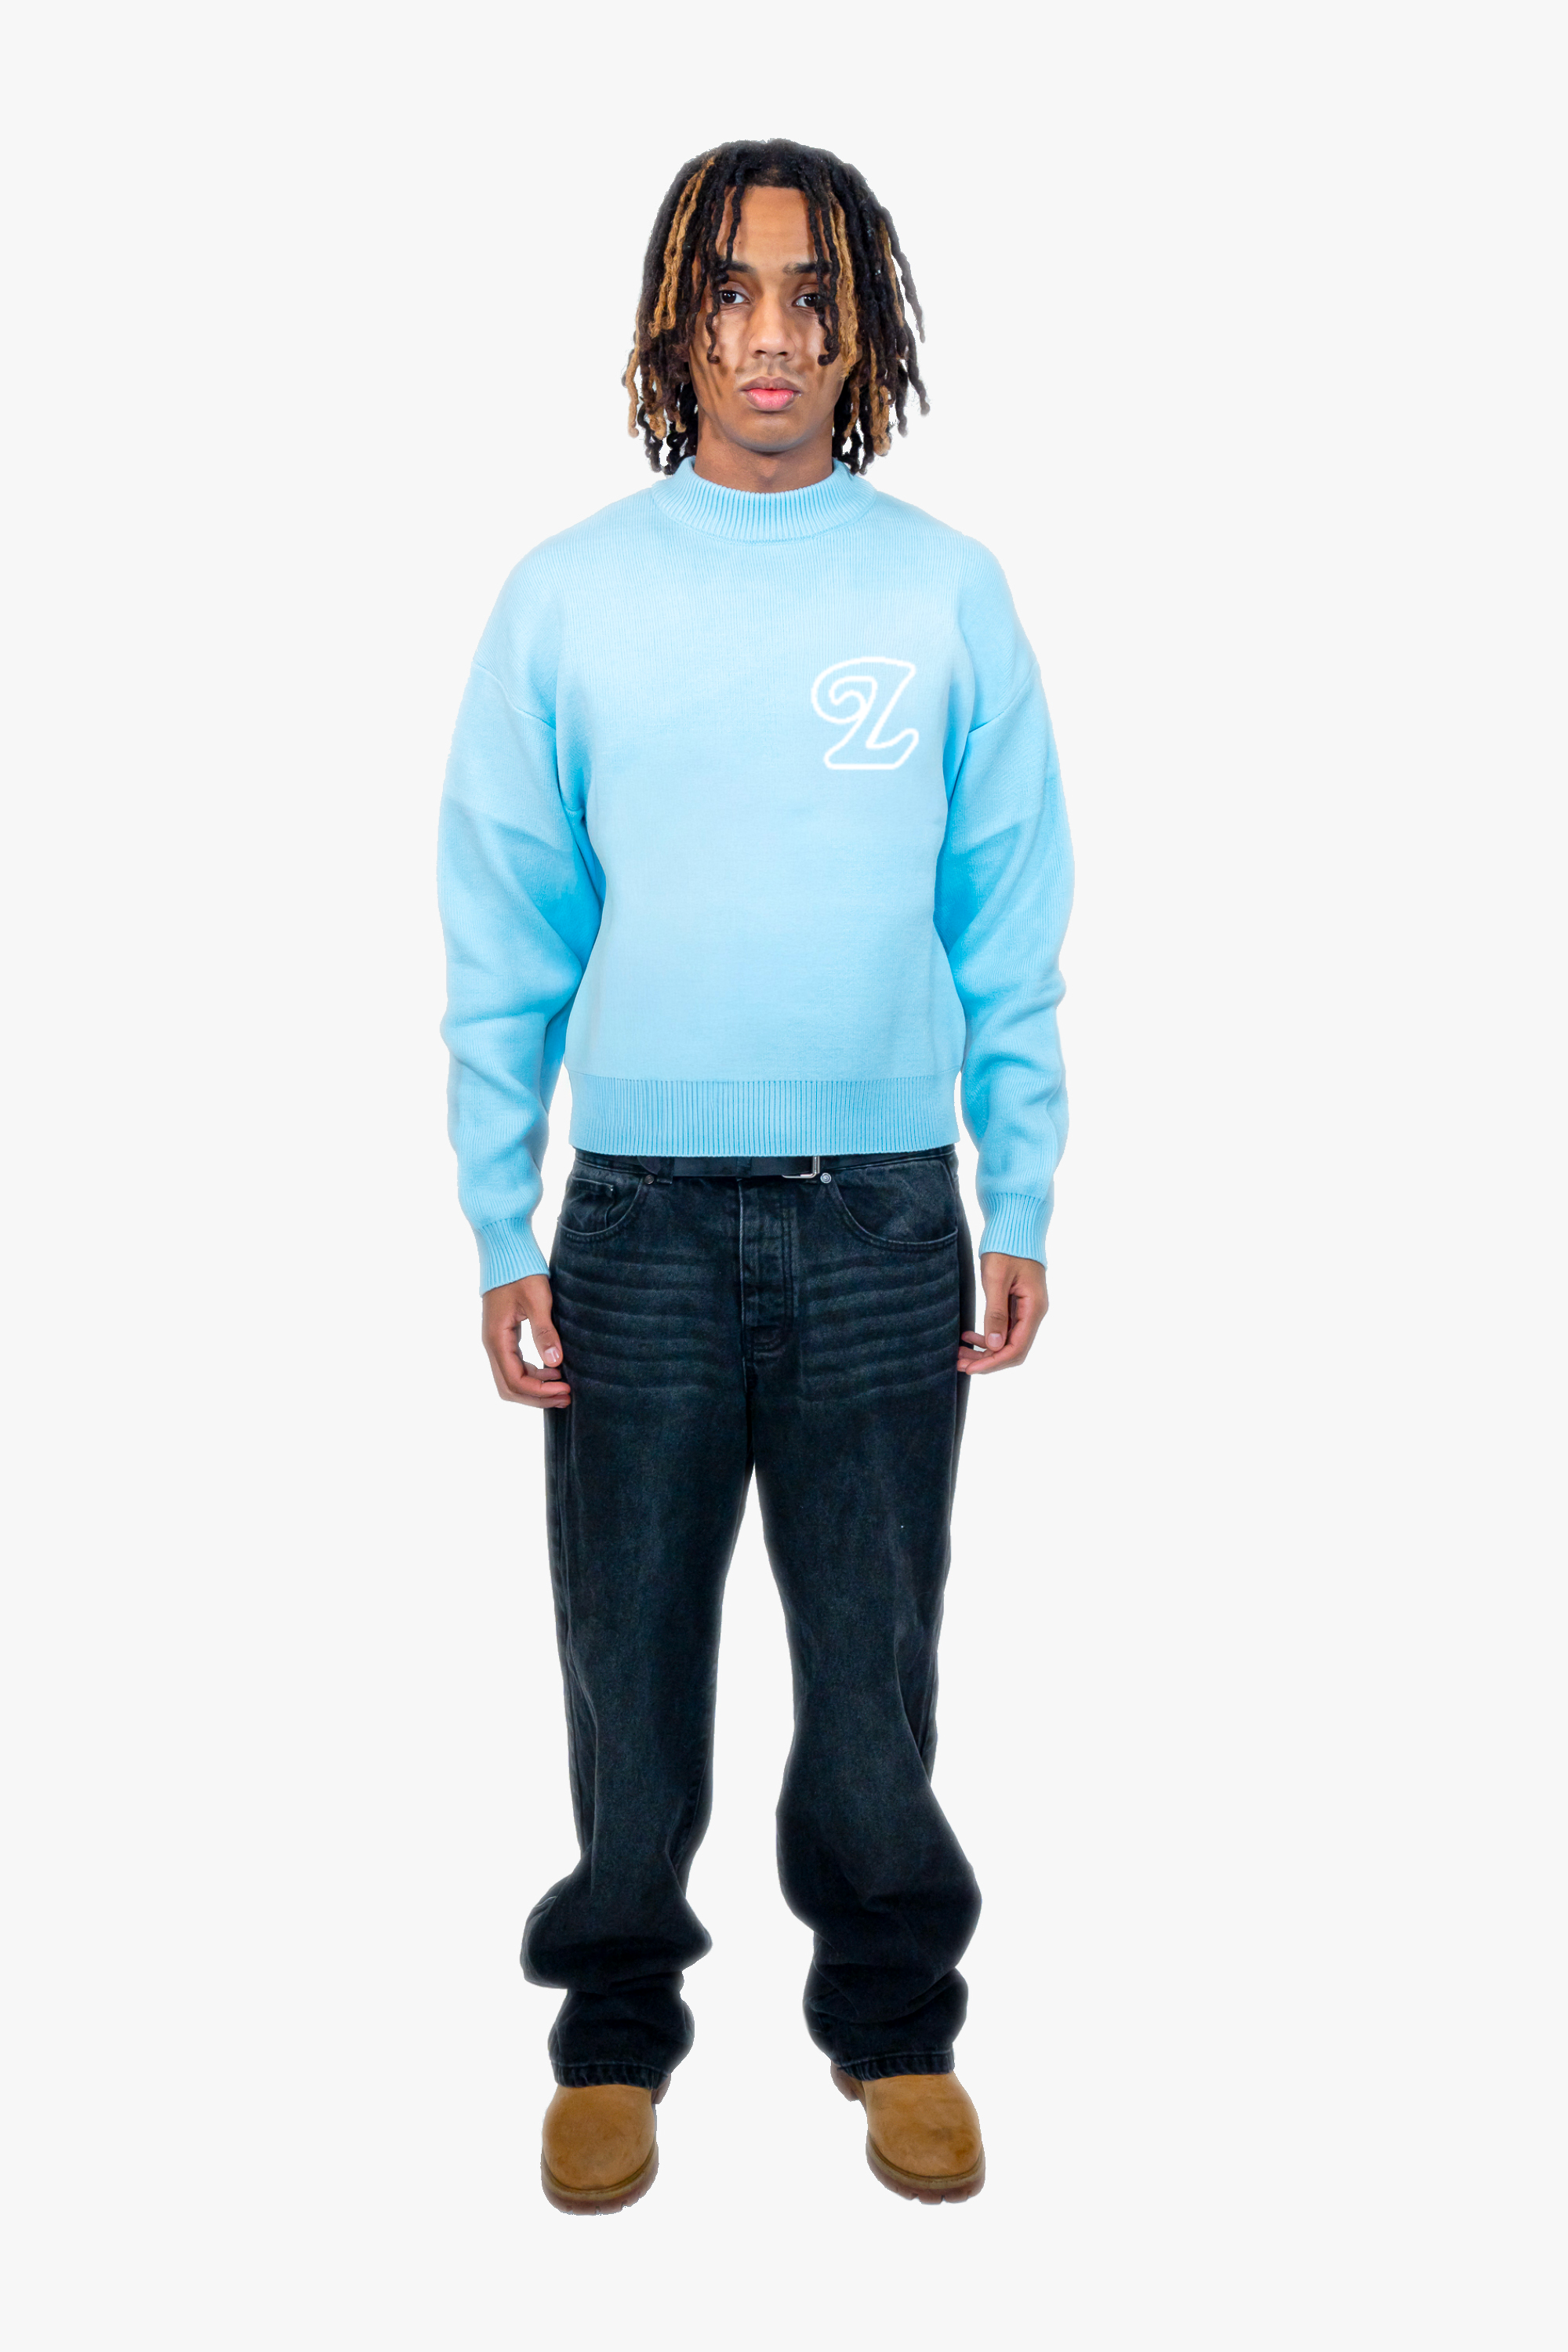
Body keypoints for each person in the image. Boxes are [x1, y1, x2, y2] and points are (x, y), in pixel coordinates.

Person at [437, 137, 1073, 2213]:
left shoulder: (944, 591)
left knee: (876, 1665)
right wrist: (500, 1220)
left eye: (813, 294)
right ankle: (614, 2033)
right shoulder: (572, 598)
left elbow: (1009, 915)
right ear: (672, 321)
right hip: (632, 1224)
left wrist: (1021, 1193)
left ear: (864, 327)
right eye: (731, 291)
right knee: (626, 1654)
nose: (773, 336)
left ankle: (896, 2022)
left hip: (886, 1216)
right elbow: (506, 927)